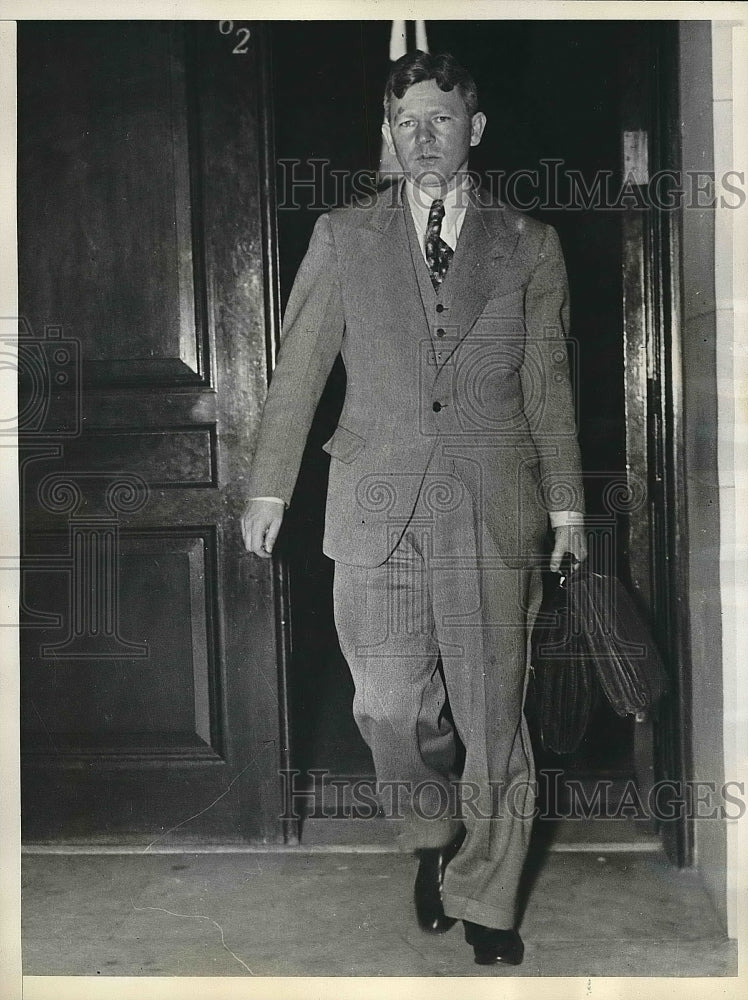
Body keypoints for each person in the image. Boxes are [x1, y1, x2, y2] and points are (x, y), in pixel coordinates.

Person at [242, 50, 587, 966]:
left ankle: (489, 896)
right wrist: (268, 484)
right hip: (373, 502)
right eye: (406, 123)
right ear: (387, 135)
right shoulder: (341, 234)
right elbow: (298, 372)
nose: (422, 137)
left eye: (440, 119)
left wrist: (568, 509)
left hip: (491, 504)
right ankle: (432, 837)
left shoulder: (528, 243)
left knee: (492, 716)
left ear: (473, 129)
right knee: (390, 707)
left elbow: (548, 384)